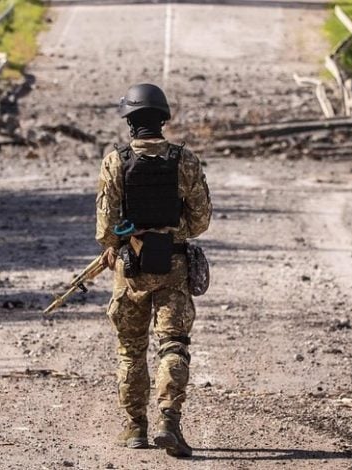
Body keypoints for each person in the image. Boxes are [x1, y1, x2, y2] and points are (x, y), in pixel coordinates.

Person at [95, 83, 212, 458]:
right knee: (173, 346)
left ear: (129, 122)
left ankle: (135, 428)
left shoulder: (115, 161)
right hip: (174, 267)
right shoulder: (185, 159)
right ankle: (169, 422)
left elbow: (105, 230)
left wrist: (121, 240)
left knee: (131, 350)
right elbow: (200, 221)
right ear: (163, 119)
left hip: (130, 270)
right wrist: (174, 230)